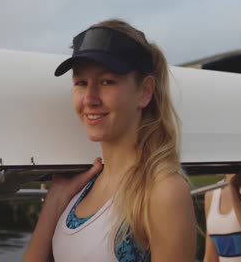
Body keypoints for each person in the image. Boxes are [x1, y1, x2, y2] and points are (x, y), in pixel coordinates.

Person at [23, 18, 196, 262]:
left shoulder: (163, 192)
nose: (90, 99)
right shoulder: (81, 187)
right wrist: (56, 200)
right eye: (81, 83)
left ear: (145, 91)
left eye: (107, 82)